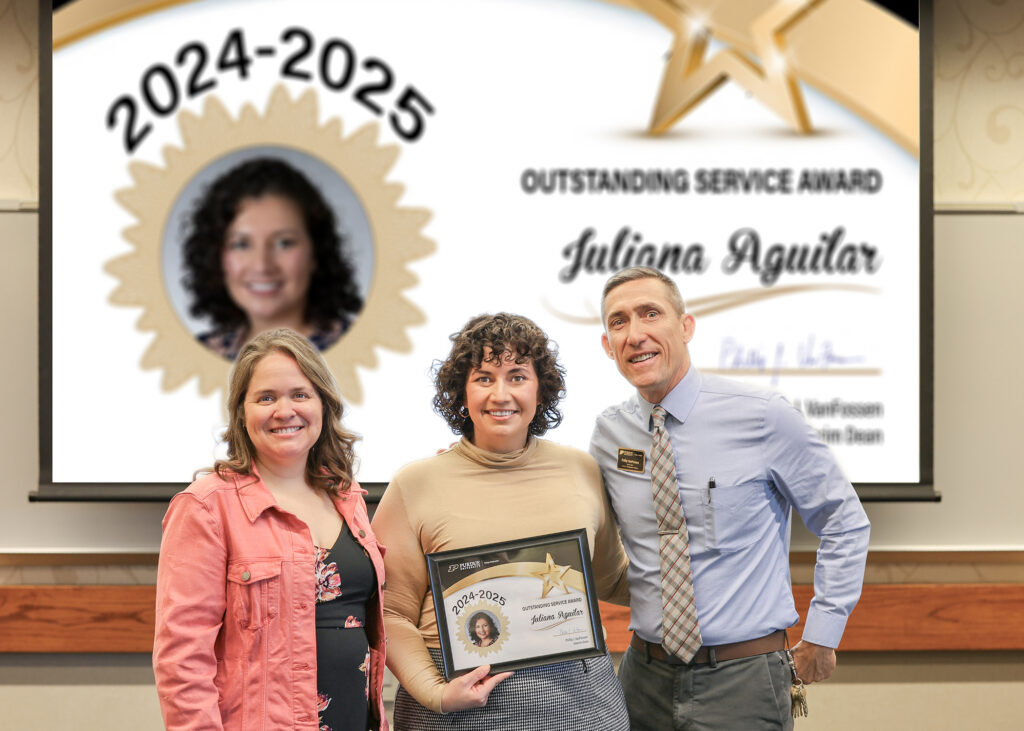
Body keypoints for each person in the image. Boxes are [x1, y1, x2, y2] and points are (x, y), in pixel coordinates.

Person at [590, 266, 871, 730]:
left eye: (650, 313)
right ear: (608, 345)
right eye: (619, 322)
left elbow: (844, 521)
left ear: (686, 326)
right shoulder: (608, 434)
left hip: (744, 680)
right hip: (642, 679)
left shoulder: (764, 416)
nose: (635, 334)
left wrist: (824, 632)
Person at [372, 313, 631, 731]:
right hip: (456, 704)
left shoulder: (581, 470)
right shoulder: (414, 484)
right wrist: (437, 693)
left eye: (517, 376)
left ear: (540, 391)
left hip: (581, 700)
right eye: (483, 378)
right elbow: (390, 612)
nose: (501, 394)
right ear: (462, 392)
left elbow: (612, 580)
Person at [153, 328, 388, 730]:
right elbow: (182, 660)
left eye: (300, 394)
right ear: (241, 413)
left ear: (323, 404)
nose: (284, 410)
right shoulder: (206, 506)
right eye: (266, 398)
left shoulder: (346, 495)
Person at [182, 157, 363, 360]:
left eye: (284, 243)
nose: (262, 266)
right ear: (216, 257)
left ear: (316, 252)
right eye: (241, 244)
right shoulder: (197, 354)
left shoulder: (360, 350)